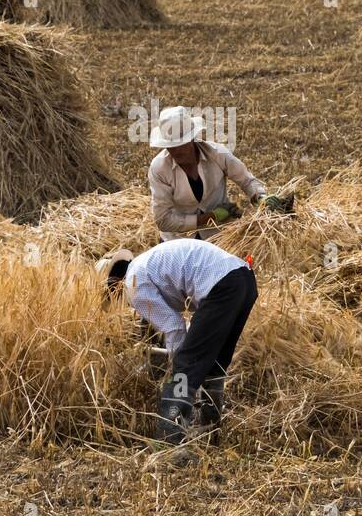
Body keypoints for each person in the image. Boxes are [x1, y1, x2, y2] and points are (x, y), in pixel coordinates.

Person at [99, 239, 258, 445]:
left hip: (222, 286)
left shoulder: (132, 283)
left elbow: (174, 326)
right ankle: (211, 433)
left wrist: (177, 364)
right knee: (215, 365)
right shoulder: (146, 263)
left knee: (185, 366)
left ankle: (170, 439)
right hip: (244, 279)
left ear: (114, 285)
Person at [147, 105, 271, 241]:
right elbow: (163, 220)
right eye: (170, 146)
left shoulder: (217, 154)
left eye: (180, 144)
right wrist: (210, 217)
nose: (175, 151)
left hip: (218, 236)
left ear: (192, 139)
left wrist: (261, 197)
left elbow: (247, 181)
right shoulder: (159, 168)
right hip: (178, 241)